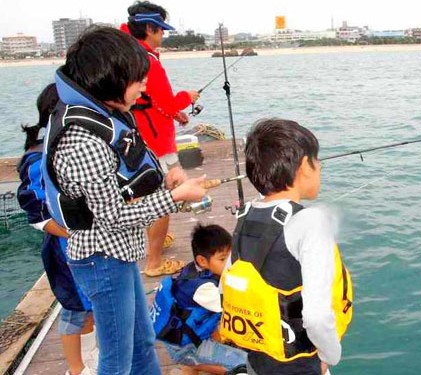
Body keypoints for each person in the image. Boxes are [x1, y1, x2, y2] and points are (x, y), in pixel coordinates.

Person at [41, 26, 213, 375]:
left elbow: (120, 178)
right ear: (110, 79)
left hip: (117, 254)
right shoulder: (82, 140)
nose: (144, 87)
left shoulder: (103, 115)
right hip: (102, 259)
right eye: (137, 80)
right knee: (116, 361)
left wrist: (165, 182)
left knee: (141, 342)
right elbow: (113, 216)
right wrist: (176, 198)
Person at [220, 119, 354, 375]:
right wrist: (329, 355)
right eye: (318, 160)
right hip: (301, 364)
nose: (321, 166)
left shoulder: (245, 217)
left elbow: (225, 287)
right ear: (304, 166)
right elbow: (315, 316)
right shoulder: (311, 222)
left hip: (259, 361)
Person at [17, 83, 96, 375]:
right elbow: (36, 212)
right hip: (66, 250)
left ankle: (93, 357)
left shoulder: (77, 149)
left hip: (89, 244)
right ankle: (76, 369)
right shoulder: (38, 159)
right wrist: (74, 234)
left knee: (93, 306)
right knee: (76, 309)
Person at [121, 1, 201, 276]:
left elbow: (149, 100)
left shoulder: (126, 52)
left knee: (143, 193)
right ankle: (154, 262)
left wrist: (174, 113)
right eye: (160, 30)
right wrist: (186, 99)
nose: (163, 35)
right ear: (148, 28)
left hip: (136, 137)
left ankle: (155, 239)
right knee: (163, 199)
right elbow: (166, 103)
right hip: (155, 141)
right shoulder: (149, 61)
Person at [151, 223, 247, 375]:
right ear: (202, 261)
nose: (230, 264)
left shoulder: (194, 270)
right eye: (223, 259)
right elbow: (235, 307)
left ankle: (187, 368)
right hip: (185, 348)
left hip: (183, 338)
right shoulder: (203, 288)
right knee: (245, 364)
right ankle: (191, 363)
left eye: (231, 257)